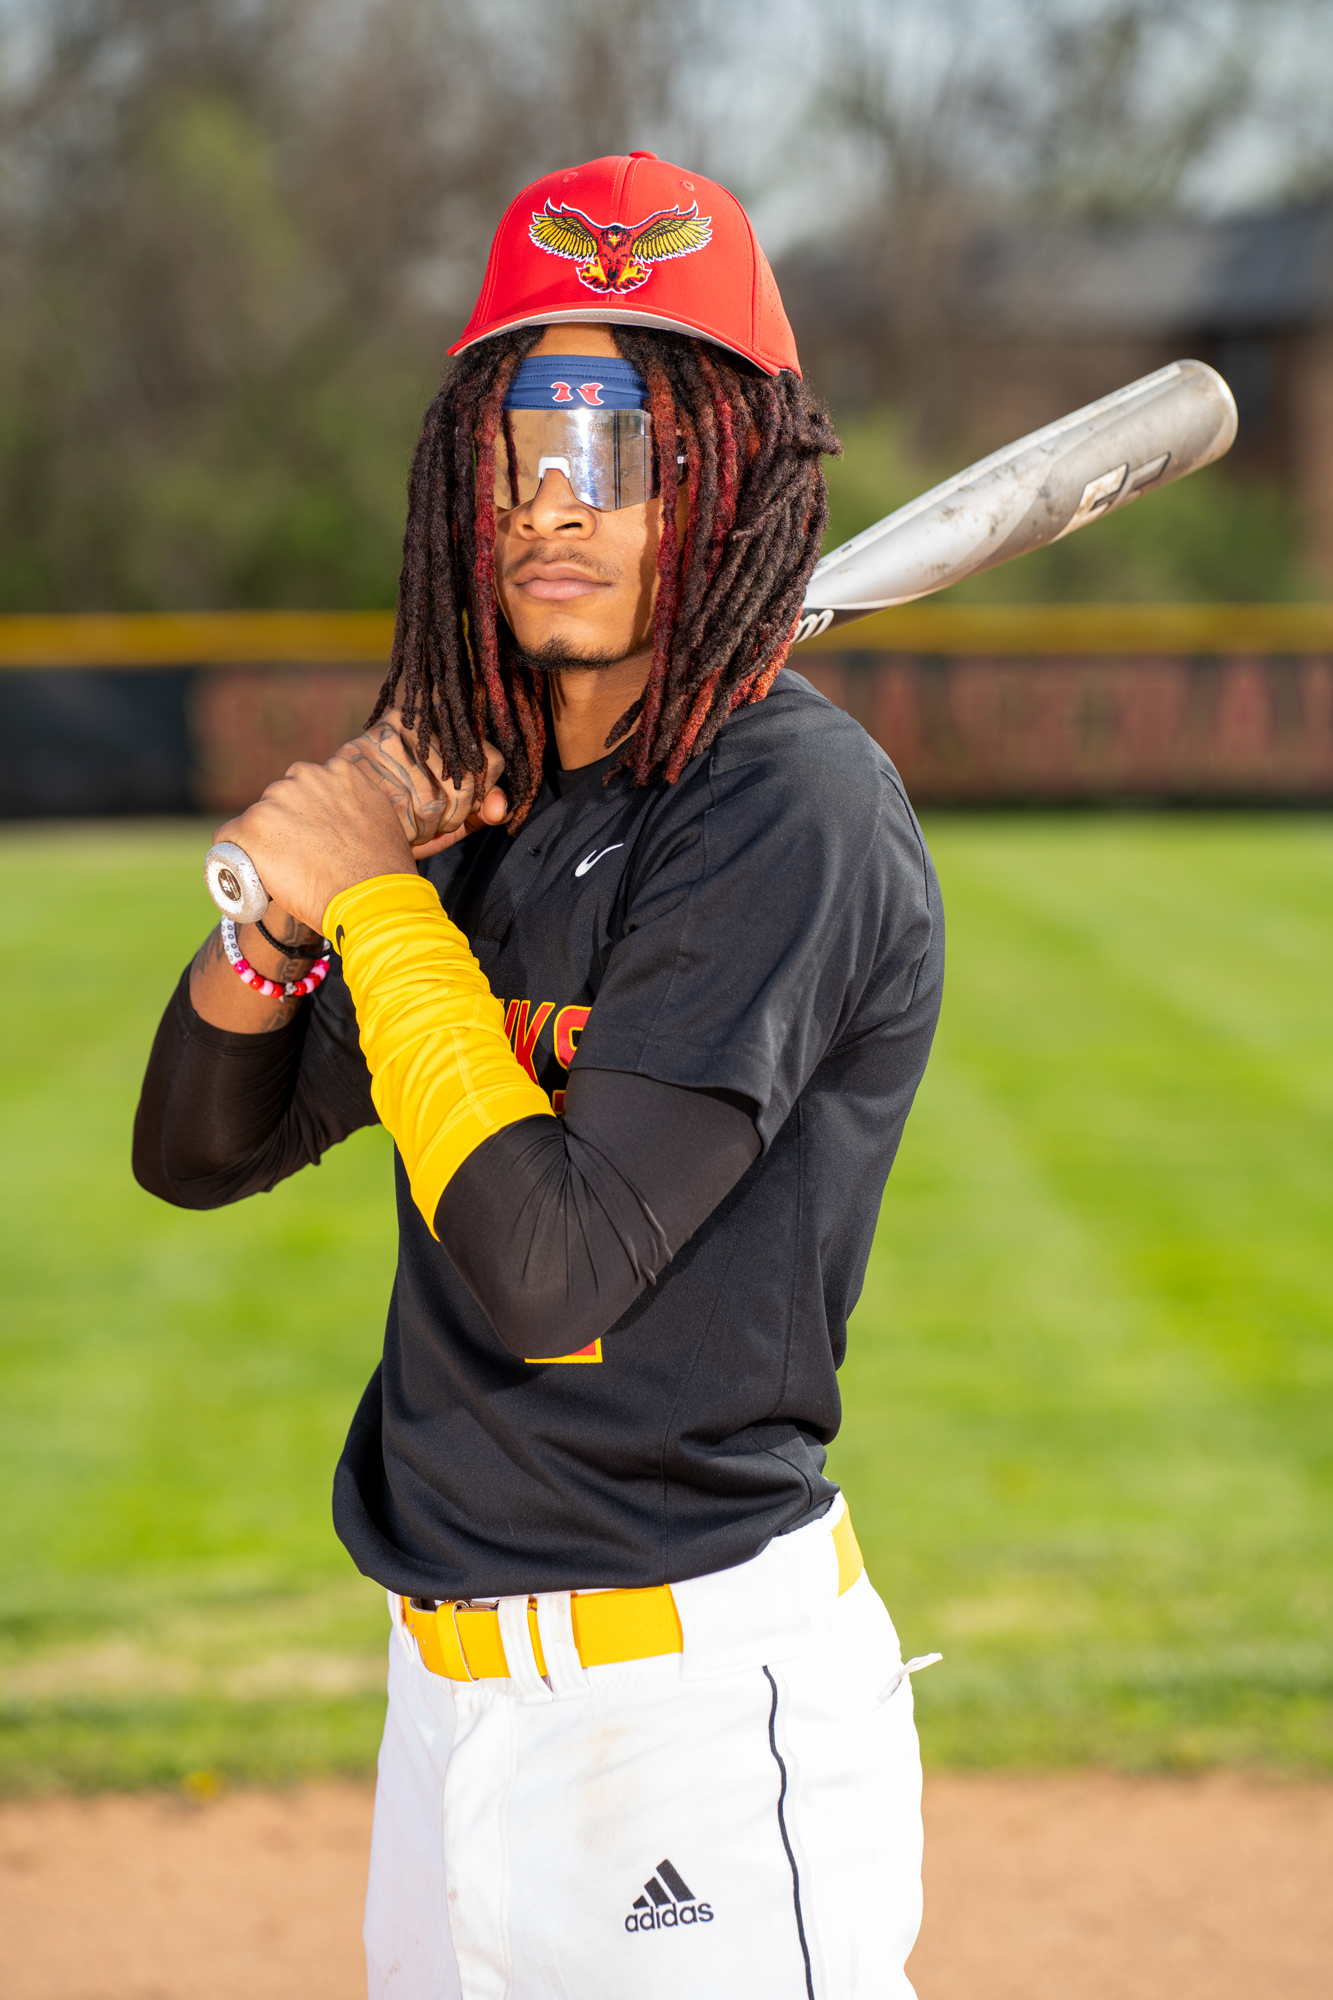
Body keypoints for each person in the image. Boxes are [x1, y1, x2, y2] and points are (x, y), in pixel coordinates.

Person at [134, 150, 944, 2000]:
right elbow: (200, 1147)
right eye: (515, 452)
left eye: (617, 451)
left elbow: (548, 1267)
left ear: (725, 477)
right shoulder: (493, 802)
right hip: (443, 1712)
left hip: (686, 1714)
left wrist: (380, 908)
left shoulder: (790, 813)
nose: (551, 505)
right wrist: (285, 926)